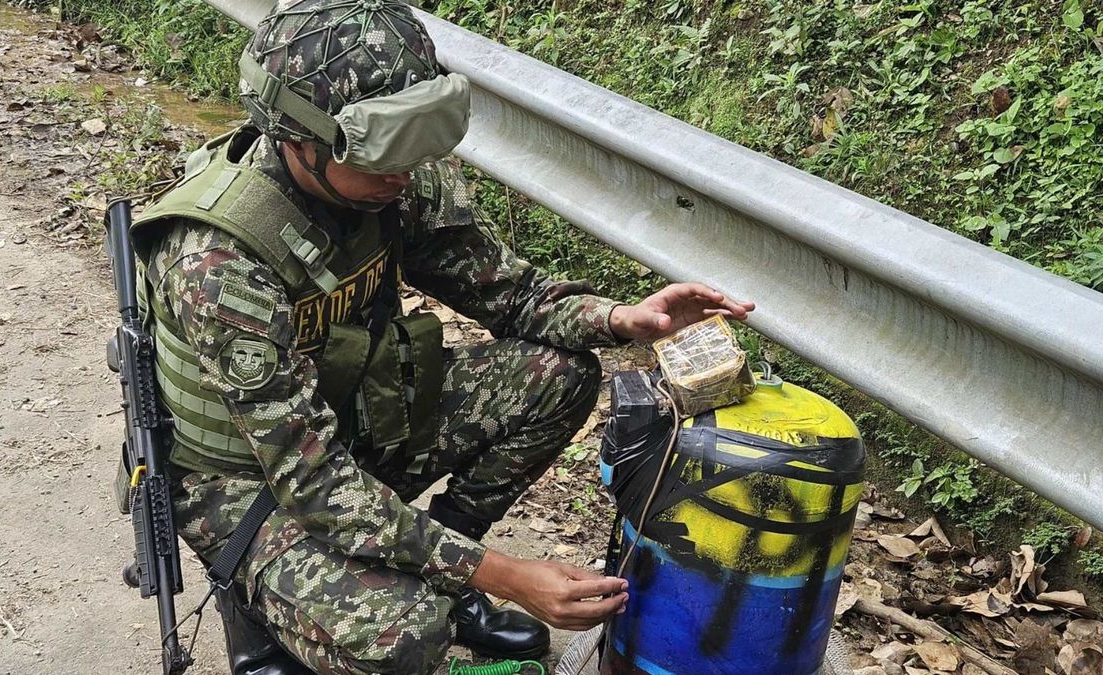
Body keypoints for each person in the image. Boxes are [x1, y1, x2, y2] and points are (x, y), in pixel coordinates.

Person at [126, 0, 754, 672]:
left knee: (561, 374)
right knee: (405, 638)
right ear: (301, 139)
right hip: (247, 483)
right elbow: (314, 483)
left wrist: (621, 318)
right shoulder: (220, 263)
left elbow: (508, 292)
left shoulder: (388, 180)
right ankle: (274, 604)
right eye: (384, 154)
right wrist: (505, 575)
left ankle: (441, 582)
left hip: (349, 415)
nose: (403, 173)